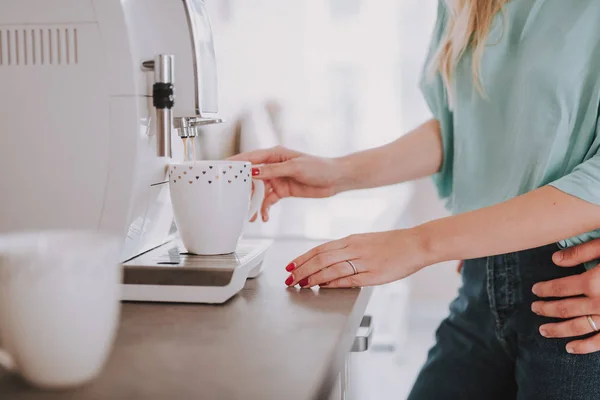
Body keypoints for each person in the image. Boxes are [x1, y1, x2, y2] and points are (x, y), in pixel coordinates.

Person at [231, 1, 600, 398]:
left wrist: (416, 243)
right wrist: (336, 173)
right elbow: (468, 129)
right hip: (480, 278)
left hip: (576, 295)